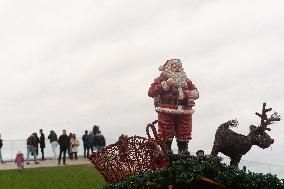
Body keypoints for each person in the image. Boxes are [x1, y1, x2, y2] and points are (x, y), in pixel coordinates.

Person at [148, 59, 199, 155]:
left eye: (178, 67)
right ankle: (166, 148)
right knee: (166, 129)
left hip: (184, 110)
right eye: (174, 67)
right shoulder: (162, 79)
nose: (177, 68)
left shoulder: (186, 81)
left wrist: (192, 94)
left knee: (184, 129)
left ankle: (183, 149)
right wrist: (166, 84)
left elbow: (195, 91)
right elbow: (151, 92)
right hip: (167, 109)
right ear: (168, 68)